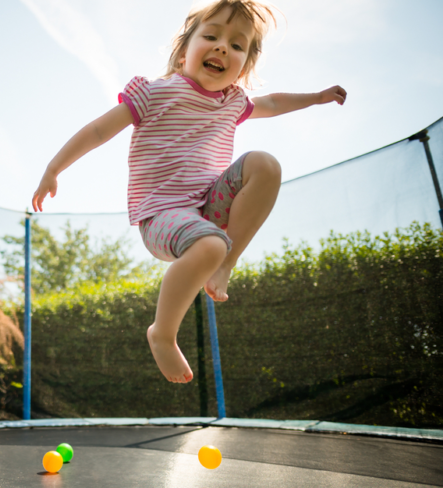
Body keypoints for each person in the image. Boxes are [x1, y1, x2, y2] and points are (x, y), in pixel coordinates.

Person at [31, 0, 346, 384]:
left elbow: (274, 101)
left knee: (265, 164)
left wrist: (316, 97)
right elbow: (99, 130)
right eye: (211, 37)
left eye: (235, 45)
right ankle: (162, 333)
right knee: (210, 245)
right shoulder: (154, 94)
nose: (221, 48)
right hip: (161, 214)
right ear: (183, 54)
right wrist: (53, 168)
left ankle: (225, 265)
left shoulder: (234, 103)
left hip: (208, 207)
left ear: (243, 67)